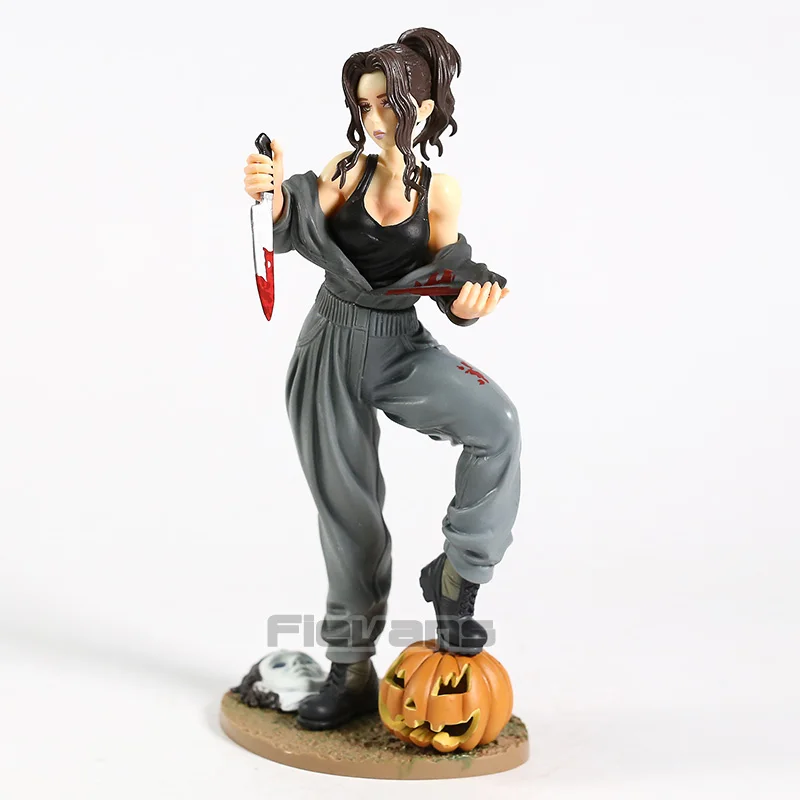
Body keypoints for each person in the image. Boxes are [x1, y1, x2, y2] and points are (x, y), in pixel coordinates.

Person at [242, 27, 522, 731]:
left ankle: (457, 577)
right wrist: (269, 196)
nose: (372, 119)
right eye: (363, 105)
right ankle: (349, 667)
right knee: (353, 521)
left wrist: (469, 298)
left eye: (386, 105)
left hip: (400, 347)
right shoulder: (344, 172)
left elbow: (449, 273)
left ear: (419, 109)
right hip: (332, 347)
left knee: (497, 424)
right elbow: (286, 227)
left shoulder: (439, 192)